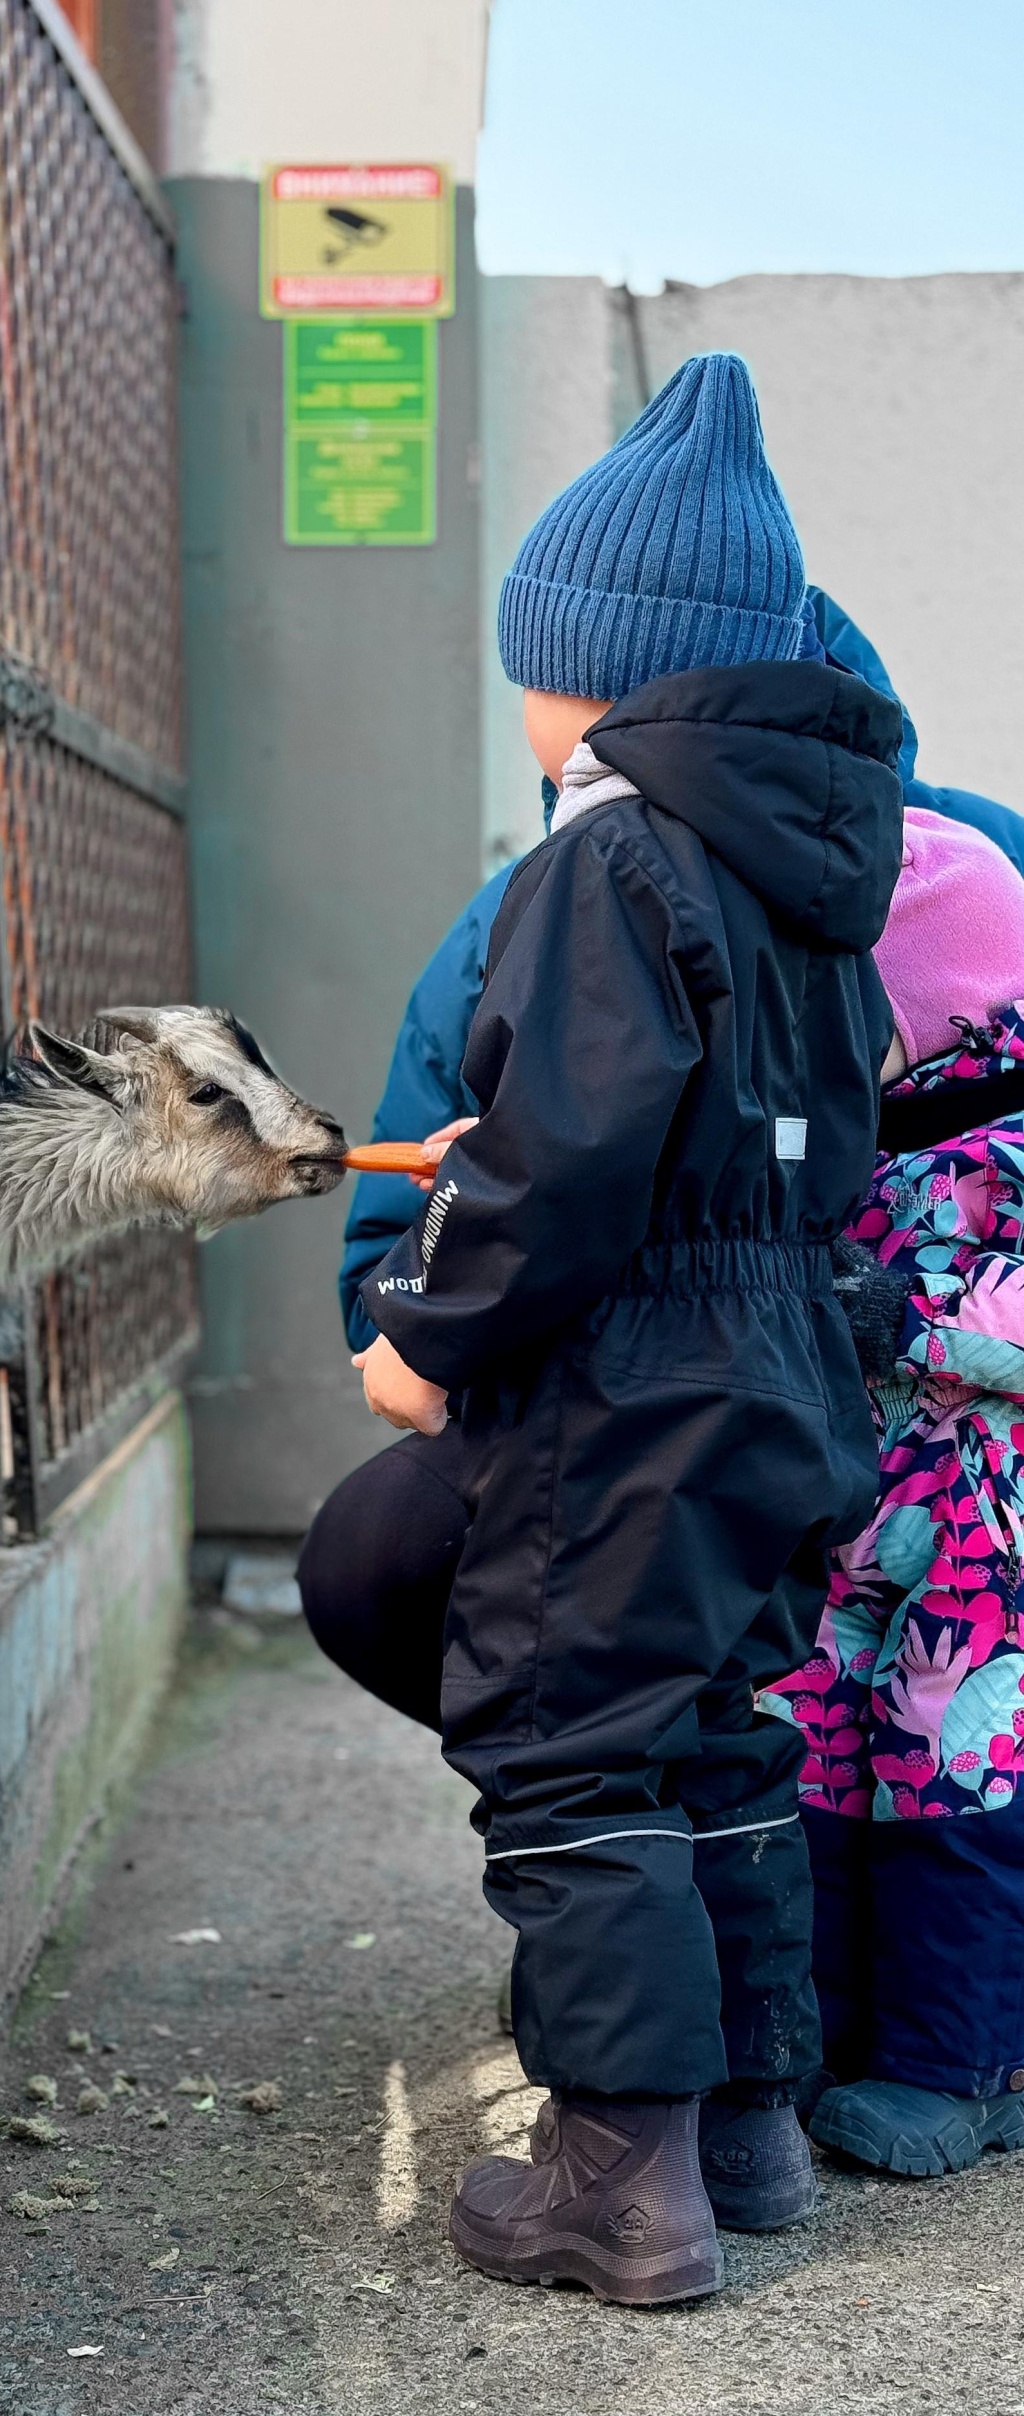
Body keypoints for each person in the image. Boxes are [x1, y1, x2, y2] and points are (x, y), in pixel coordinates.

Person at [332, 350, 902, 2305]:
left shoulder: (604, 857)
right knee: (718, 1734)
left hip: (632, 1380)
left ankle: (617, 2179)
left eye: (536, 669)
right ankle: (746, 2130)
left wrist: (428, 1330)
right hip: (795, 1371)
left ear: (598, 668)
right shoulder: (815, 882)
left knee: (571, 1750)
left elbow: (552, 1165)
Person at [303, 604, 1024, 1737]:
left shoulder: (976, 876)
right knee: (388, 1559)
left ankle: (633, 1813)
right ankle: (630, 1793)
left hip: (955, 1429)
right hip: (653, 1398)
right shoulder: (547, 907)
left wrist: (907, 1311)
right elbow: (389, 1283)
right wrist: (493, 1206)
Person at [765, 810, 1024, 2179]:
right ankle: (830, 2029)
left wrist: (911, 1320)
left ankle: (957, 2064)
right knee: (819, 1753)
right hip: (854, 1519)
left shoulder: (1011, 1147)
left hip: (987, 1553)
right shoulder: (840, 1133)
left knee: (947, 1773)